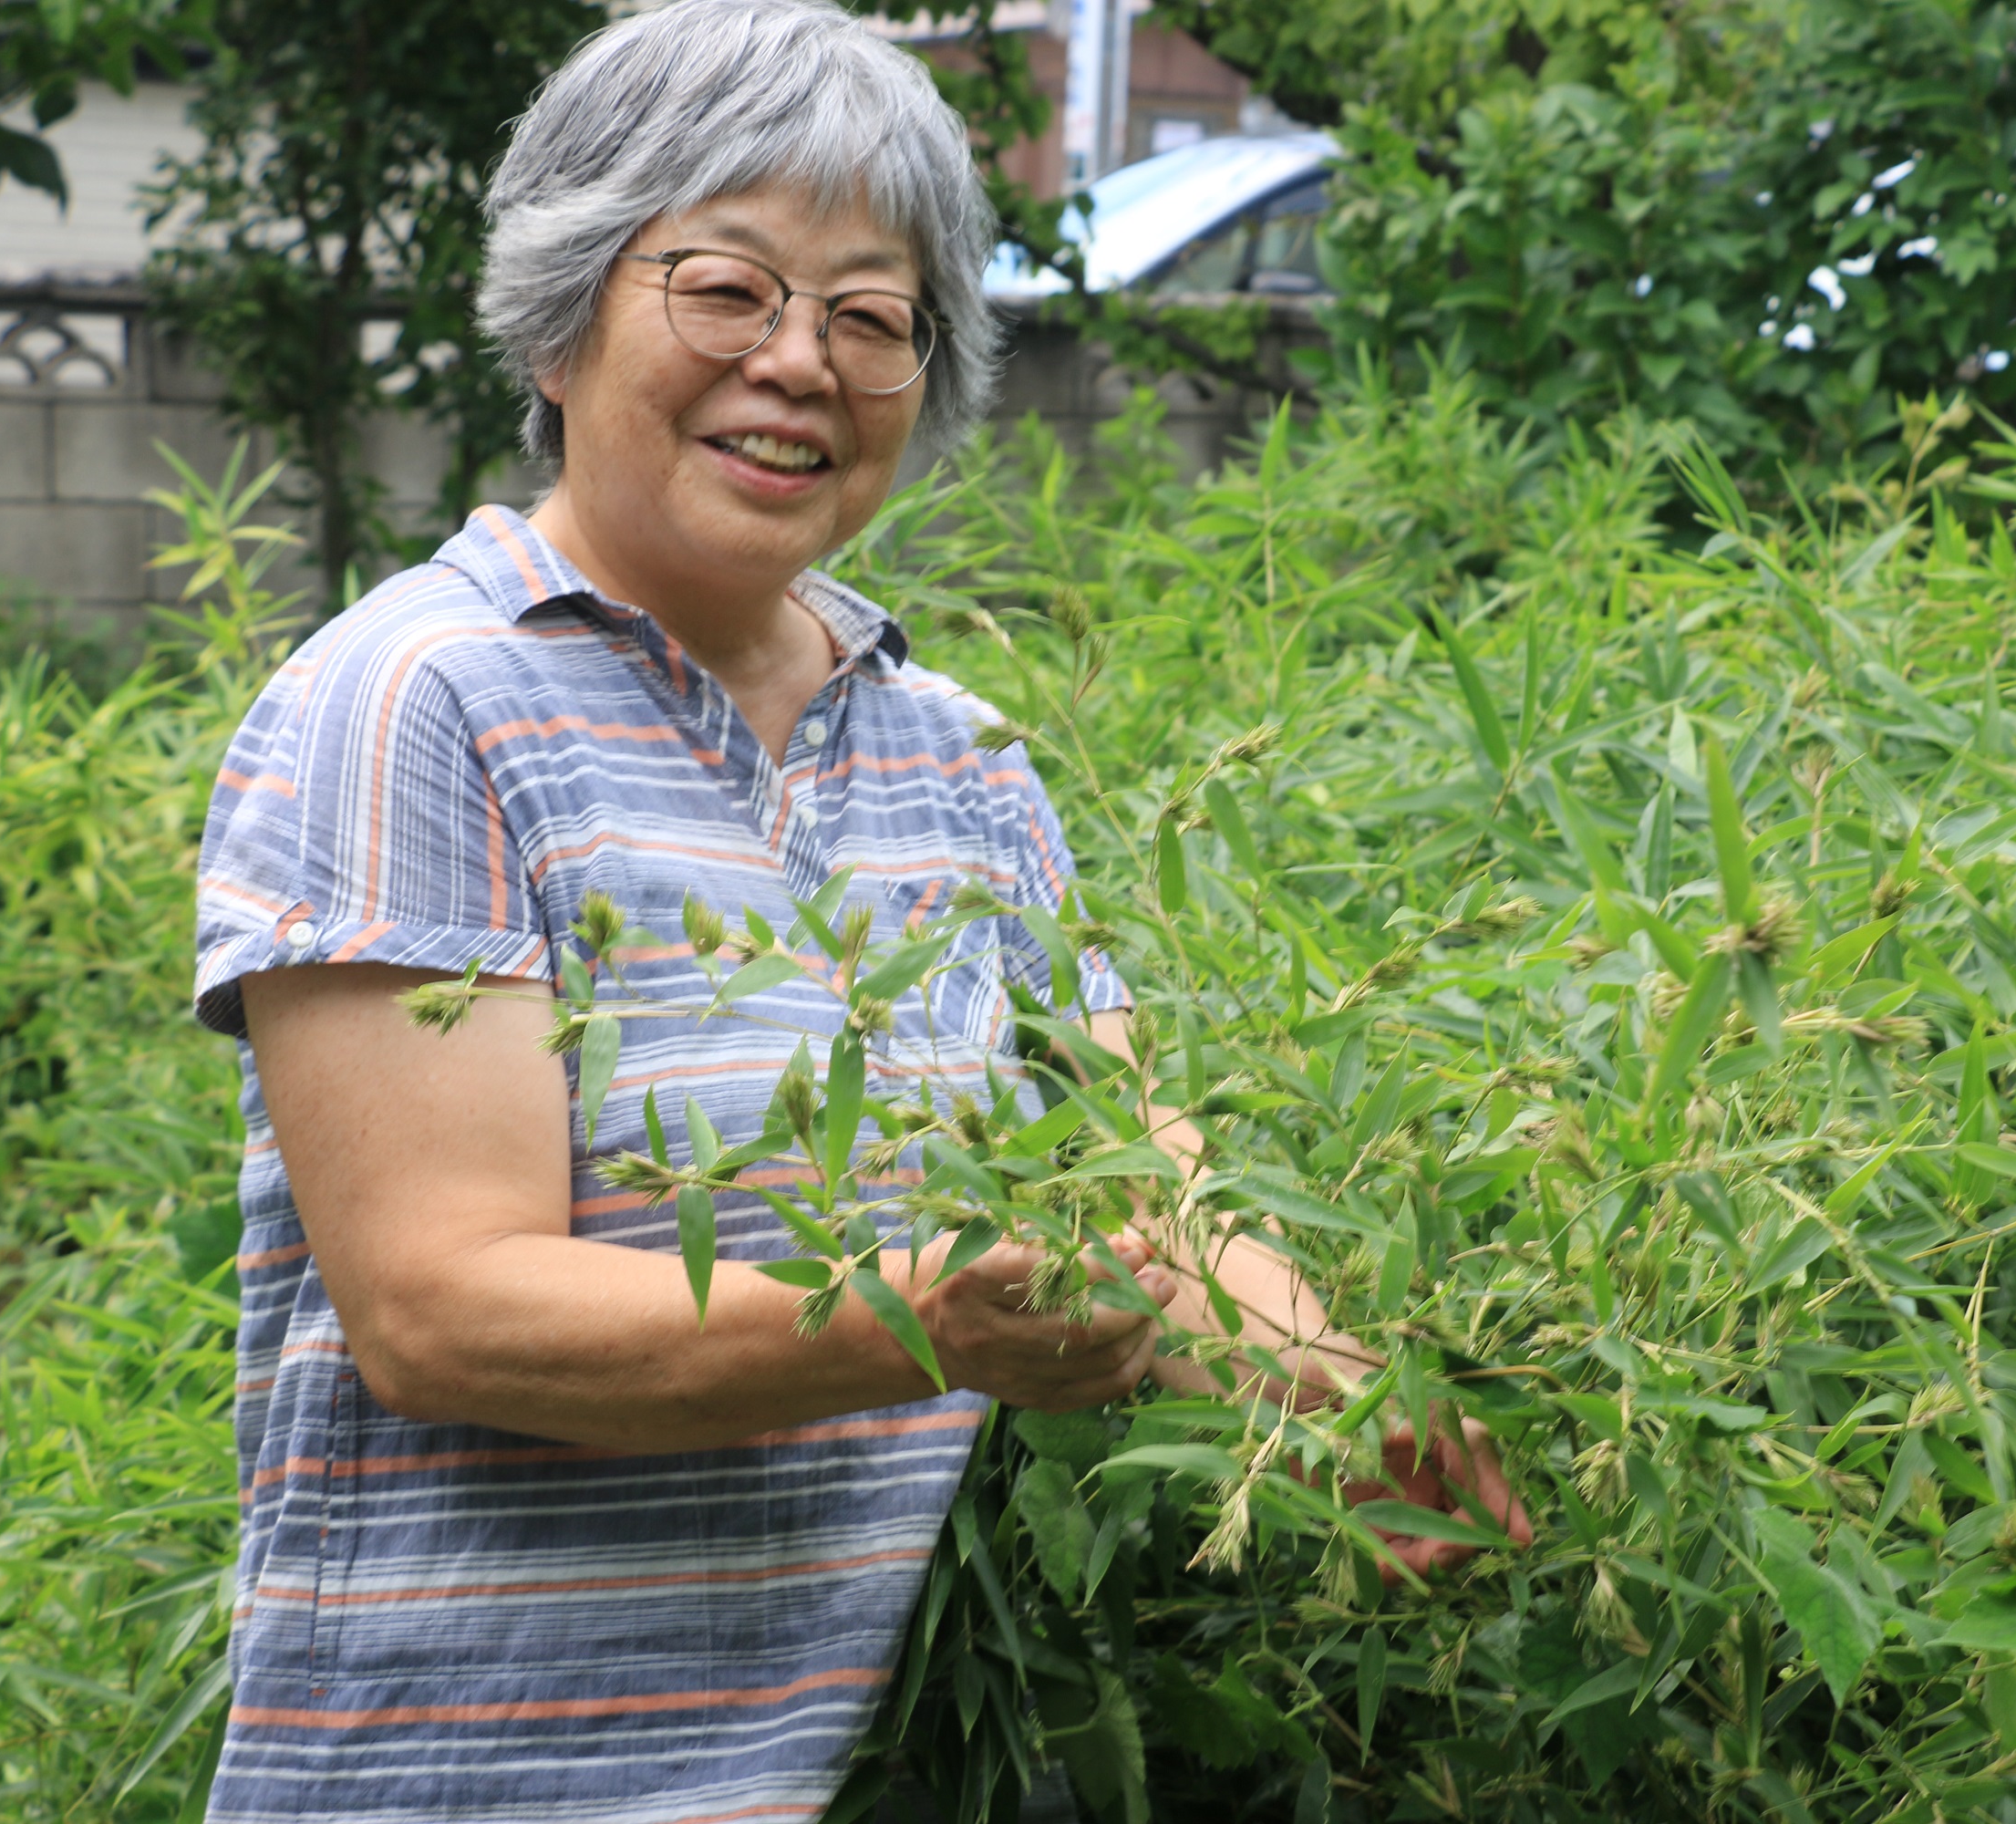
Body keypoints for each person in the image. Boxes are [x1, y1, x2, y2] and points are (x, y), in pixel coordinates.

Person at [191, 4, 1524, 1818]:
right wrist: (923, 1321)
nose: (800, 362)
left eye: (873, 318)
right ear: (571, 312)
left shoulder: (956, 751)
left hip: (875, 1771)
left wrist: (1340, 1398)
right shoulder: (420, 699)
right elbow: (439, 1310)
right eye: (729, 289)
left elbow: (1132, 1180)